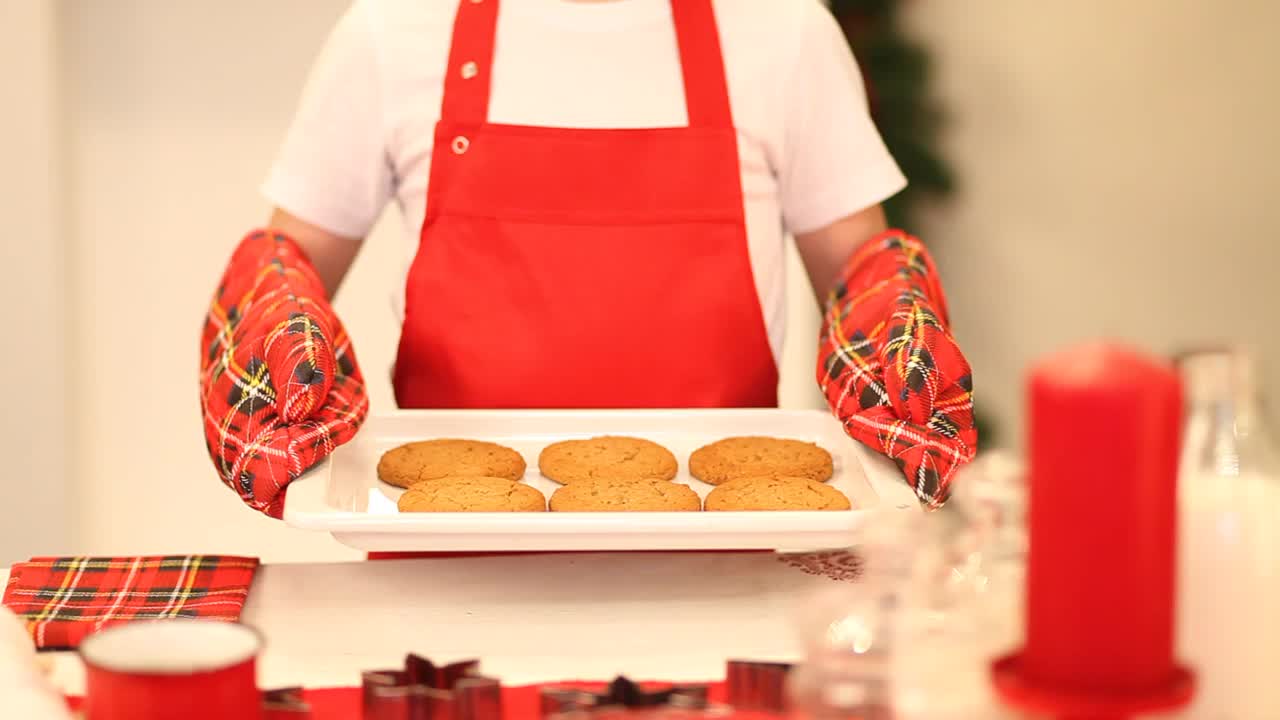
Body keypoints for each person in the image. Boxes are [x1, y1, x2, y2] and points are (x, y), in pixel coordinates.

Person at [199, 0, 976, 518]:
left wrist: (903, 366)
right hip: (442, 549)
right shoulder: (393, 29)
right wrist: (272, 348)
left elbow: (861, 282)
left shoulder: (781, 27)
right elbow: (291, 269)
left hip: (730, 550)